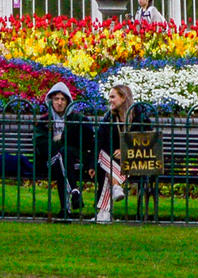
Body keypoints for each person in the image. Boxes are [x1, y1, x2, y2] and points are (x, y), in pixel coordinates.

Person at [94, 82, 151, 222]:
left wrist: (126, 150)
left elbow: (148, 141)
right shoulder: (109, 118)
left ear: (123, 98)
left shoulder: (140, 117)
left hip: (134, 160)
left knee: (104, 164)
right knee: (103, 157)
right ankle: (115, 186)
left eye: (113, 96)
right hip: (113, 161)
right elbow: (99, 141)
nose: (110, 100)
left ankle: (104, 212)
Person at [33, 82, 90, 217]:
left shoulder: (77, 119)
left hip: (72, 161)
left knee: (63, 157)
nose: (59, 102)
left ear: (68, 101)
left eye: (63, 99)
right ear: (51, 100)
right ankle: (74, 191)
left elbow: (86, 139)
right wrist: (66, 141)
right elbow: (41, 146)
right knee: (61, 156)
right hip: (48, 162)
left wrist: (62, 138)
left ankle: (66, 210)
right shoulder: (44, 121)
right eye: (56, 99)